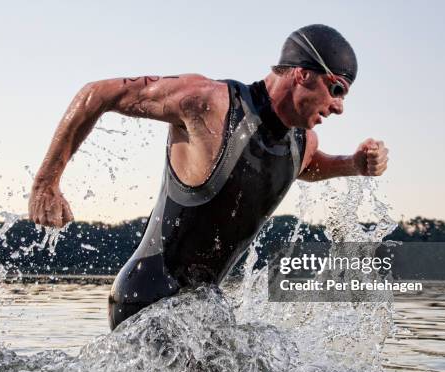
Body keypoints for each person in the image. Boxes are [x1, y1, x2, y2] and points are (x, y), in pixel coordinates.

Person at [28, 24, 389, 330]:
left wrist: (352, 164)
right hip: (147, 297)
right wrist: (47, 182)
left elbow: (305, 168)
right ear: (302, 73)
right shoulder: (211, 103)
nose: (340, 106)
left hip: (201, 312)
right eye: (337, 88)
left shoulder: (303, 142)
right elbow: (99, 93)